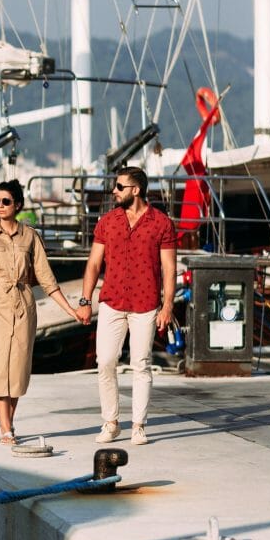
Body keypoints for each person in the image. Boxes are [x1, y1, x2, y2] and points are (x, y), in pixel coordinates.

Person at [0, 179, 78, 445]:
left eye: (6, 201)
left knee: (17, 367)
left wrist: (70, 309)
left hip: (23, 304)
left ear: (18, 204)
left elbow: (47, 279)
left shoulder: (31, 236)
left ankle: (10, 423)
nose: (0, 206)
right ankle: (5, 427)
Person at [75, 166, 176, 446]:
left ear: (136, 190)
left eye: (119, 186)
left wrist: (167, 305)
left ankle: (138, 425)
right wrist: (85, 301)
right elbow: (94, 263)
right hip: (112, 300)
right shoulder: (107, 222)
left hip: (145, 303)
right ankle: (110, 422)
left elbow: (169, 269)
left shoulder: (161, 223)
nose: (114, 191)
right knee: (105, 361)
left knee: (141, 364)